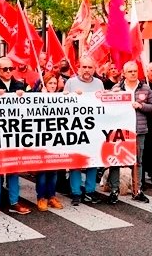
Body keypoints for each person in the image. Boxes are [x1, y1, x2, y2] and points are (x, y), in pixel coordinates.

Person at [0, 57, 30, 217]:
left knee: (13, 171)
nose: (9, 71)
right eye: (5, 69)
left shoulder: (20, 86)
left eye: (11, 68)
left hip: (15, 135)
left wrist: (25, 97)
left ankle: (14, 202)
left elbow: (30, 109)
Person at [107, 61, 152, 204]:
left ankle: (137, 190)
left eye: (135, 71)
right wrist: (112, 95)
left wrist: (141, 106)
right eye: (130, 71)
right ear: (124, 73)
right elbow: (109, 107)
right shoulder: (117, 87)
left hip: (138, 130)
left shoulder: (145, 88)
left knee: (138, 161)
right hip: (120, 130)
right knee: (116, 160)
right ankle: (114, 190)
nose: (133, 74)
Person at [63, 57, 103, 206]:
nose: (87, 70)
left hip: (93, 128)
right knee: (76, 162)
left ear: (94, 69)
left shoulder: (99, 83)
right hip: (76, 128)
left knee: (93, 160)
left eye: (89, 67)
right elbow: (62, 103)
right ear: (79, 68)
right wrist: (68, 95)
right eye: (84, 67)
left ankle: (90, 191)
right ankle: (76, 193)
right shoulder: (71, 82)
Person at [34, 72, 64, 211]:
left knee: (53, 171)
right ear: (44, 84)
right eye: (50, 83)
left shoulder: (60, 97)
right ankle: (41, 197)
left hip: (55, 139)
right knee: (42, 171)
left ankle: (51, 196)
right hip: (41, 139)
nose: (52, 86)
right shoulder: (37, 97)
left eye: (54, 83)